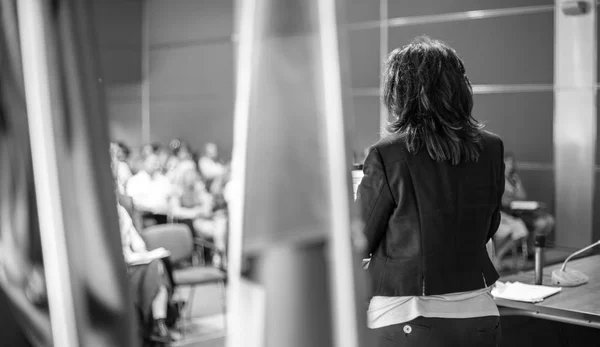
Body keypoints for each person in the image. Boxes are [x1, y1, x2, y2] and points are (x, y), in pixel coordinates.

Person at [356, 36, 504, 346]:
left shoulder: (387, 154)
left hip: (407, 317)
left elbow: (360, 239)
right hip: (480, 315)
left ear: (400, 93)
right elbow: (489, 227)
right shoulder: (491, 148)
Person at [117, 203, 177, 343]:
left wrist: (143, 254)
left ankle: (158, 324)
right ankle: (159, 323)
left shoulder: (121, 210)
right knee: (157, 270)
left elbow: (136, 241)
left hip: (132, 261)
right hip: (119, 264)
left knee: (156, 265)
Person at [502, 152, 555, 256]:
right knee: (541, 223)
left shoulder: (514, 178)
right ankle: (532, 249)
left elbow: (523, 195)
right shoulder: (499, 178)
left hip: (521, 210)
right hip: (509, 213)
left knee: (550, 220)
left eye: (511, 163)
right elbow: (505, 200)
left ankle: (533, 247)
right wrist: (514, 195)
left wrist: (512, 195)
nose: (510, 165)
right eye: (507, 163)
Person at [126, 153, 174, 225]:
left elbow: (170, 198)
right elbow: (134, 203)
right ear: (144, 163)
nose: (155, 165)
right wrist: (152, 209)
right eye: (152, 163)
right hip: (145, 216)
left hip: (163, 215)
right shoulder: (134, 180)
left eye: (156, 162)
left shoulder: (164, 180)